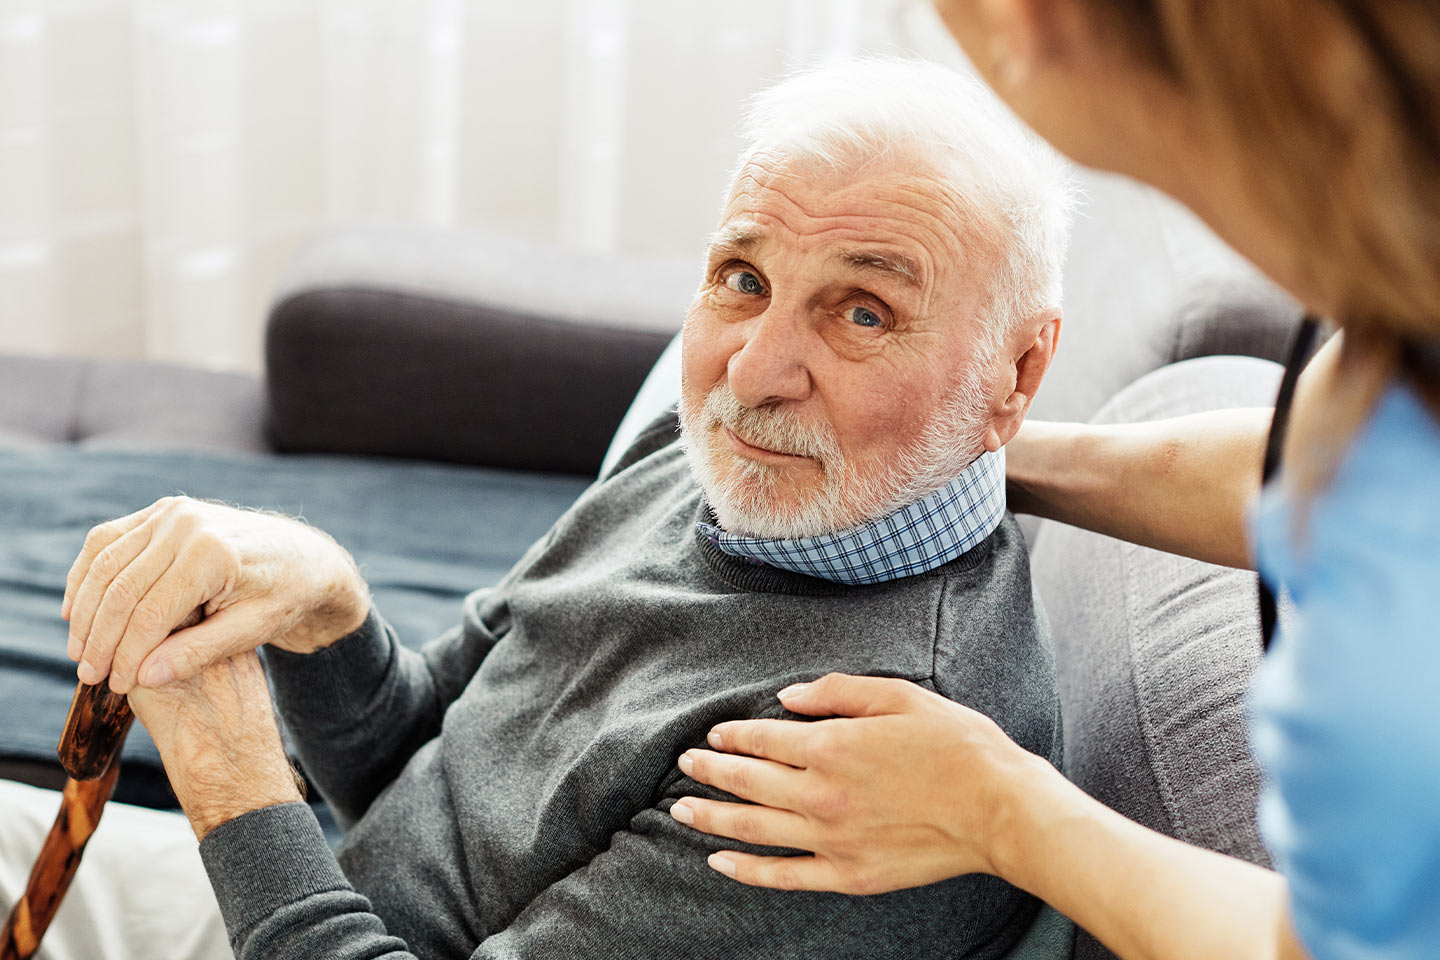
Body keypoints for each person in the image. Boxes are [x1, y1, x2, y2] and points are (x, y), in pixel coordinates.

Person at [12, 59, 1081, 959]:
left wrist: (227, 768)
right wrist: (321, 604)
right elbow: (423, 757)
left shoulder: (858, 759)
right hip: (298, 902)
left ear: (1015, 375)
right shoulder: (722, 459)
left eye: (862, 310)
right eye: (743, 277)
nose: (754, 372)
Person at [672, 3, 1440, 960]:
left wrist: (1002, 810)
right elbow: (1344, 472)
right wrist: (956, 445)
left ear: (1031, 24)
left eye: (864, 314)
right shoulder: (1398, 319)